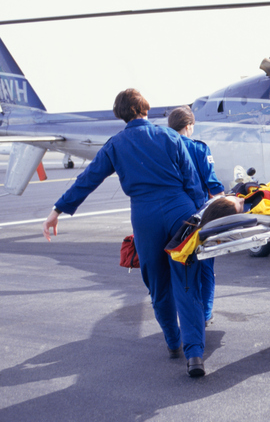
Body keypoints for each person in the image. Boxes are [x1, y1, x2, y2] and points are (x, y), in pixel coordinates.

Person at [42, 89, 209, 377]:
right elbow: (192, 182)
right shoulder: (170, 137)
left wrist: (59, 209)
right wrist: (198, 219)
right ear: (144, 108)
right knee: (187, 282)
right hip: (179, 211)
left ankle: (172, 342)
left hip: (144, 216)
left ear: (121, 114)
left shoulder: (115, 144)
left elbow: (88, 179)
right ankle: (194, 355)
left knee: (157, 284)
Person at [168, 105, 224, 327]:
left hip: (171, 215)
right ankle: (205, 313)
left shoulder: (164, 148)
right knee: (206, 266)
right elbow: (212, 183)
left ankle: (185, 315)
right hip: (198, 215)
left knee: (180, 268)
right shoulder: (199, 149)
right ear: (189, 126)